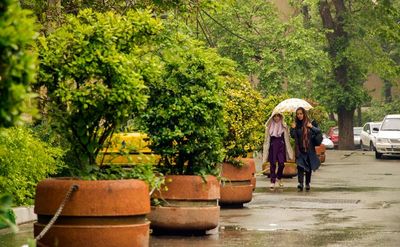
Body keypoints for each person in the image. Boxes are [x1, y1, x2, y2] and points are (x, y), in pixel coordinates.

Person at [290, 107, 321, 192]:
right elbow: (293, 136)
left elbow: (318, 131)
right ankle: (300, 183)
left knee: (308, 168)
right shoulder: (296, 124)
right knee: (300, 166)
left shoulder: (310, 123)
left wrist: (311, 127)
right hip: (300, 149)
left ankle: (307, 183)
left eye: (301, 113)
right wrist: (293, 128)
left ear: (304, 114)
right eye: (298, 114)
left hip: (309, 149)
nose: (299, 115)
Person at [262, 112, 294, 190]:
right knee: (272, 164)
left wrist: (288, 128)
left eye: (278, 116)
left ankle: (279, 177)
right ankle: (272, 181)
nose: (276, 118)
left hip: (281, 145)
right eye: (275, 116)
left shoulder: (283, 125)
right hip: (273, 145)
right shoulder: (269, 126)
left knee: (281, 163)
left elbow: (287, 137)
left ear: (280, 117)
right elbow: (267, 139)